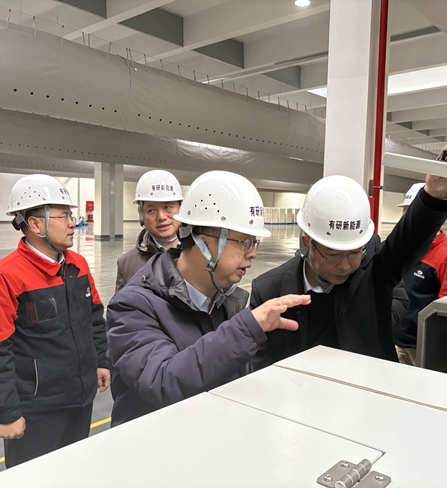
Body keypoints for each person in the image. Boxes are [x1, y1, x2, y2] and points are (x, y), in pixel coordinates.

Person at [106, 170, 310, 426]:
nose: (252, 254)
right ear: (204, 242)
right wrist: (247, 328)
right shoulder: (133, 306)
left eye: (254, 243)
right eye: (244, 242)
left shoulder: (228, 301)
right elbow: (163, 381)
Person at [250, 143, 447, 368]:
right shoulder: (268, 291)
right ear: (307, 243)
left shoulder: (373, 271)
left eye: (354, 252)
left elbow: (408, 241)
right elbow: (260, 367)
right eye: (334, 255)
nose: (346, 265)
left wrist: (434, 194)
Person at [0, 174, 110, 468]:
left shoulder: (77, 265)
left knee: (74, 471)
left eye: (71, 215)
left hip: (80, 400)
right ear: (35, 224)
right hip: (38, 411)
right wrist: (6, 413)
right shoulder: (2, 278)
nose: (73, 223)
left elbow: (94, 317)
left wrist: (101, 360)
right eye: (64, 216)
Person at [393, 182, 447, 366]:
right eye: (405, 213)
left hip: (420, 346)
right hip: (394, 338)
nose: (407, 220)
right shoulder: (401, 247)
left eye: (413, 213)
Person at [115, 170, 183, 292]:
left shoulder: (203, 255)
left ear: (180, 210)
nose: (161, 217)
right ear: (142, 216)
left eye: (167, 207)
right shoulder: (127, 263)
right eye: (151, 210)